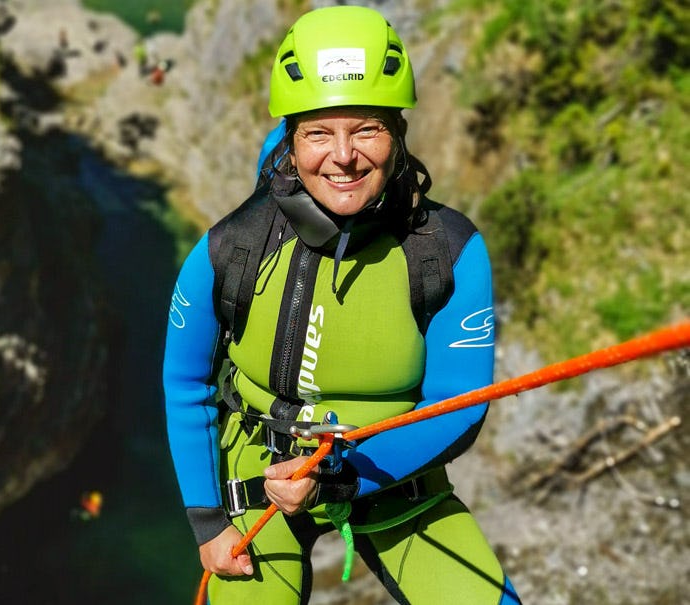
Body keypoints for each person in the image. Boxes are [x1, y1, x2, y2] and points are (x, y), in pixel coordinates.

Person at [163, 6, 521, 604]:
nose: (344, 155)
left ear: (398, 133)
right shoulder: (233, 247)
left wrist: (340, 473)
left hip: (394, 475)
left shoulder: (448, 252)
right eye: (318, 133)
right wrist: (208, 522)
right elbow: (184, 382)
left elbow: (458, 406)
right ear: (291, 141)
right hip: (259, 471)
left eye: (367, 130)